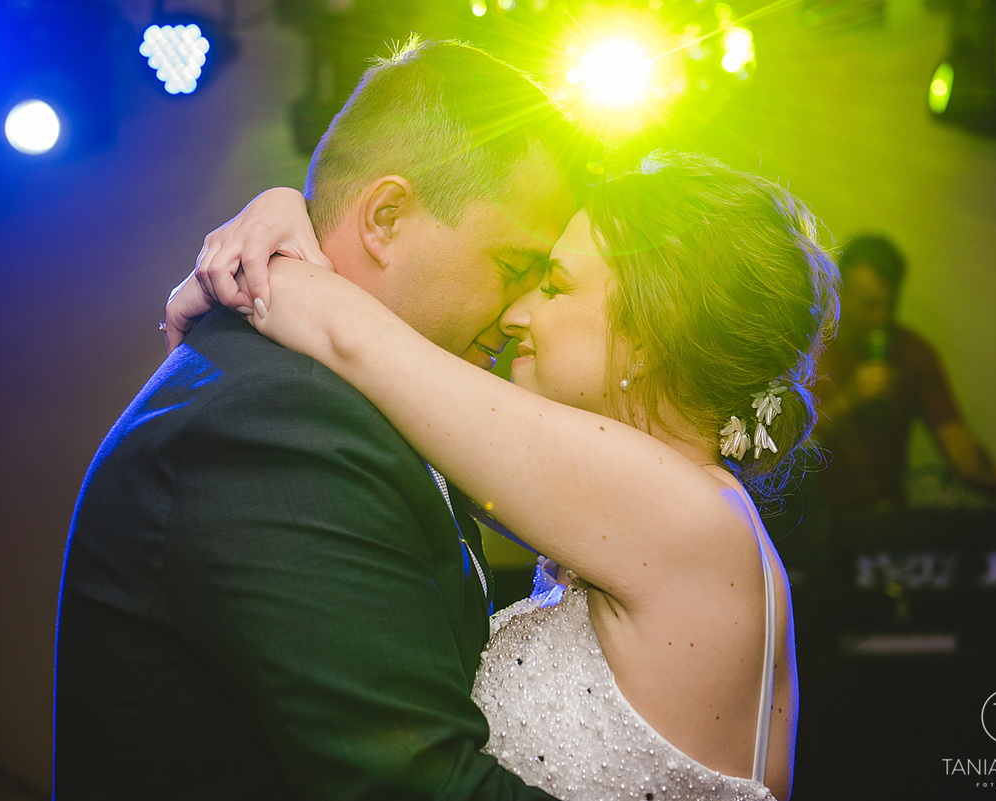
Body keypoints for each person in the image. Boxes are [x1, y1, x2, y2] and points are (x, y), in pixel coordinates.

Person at [170, 151, 840, 801]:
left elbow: (356, 344)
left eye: (552, 285)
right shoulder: (685, 511)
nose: (516, 313)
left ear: (647, 333)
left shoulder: (681, 513)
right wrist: (283, 209)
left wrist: (256, 257)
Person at [55, 39, 593, 800]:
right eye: (511, 268)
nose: (516, 315)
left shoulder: (351, 399)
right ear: (385, 215)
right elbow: (418, 784)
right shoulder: (280, 422)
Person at [811, 235, 996, 510]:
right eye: (869, 306)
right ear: (840, 293)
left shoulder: (911, 351)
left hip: (885, 518)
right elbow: (787, 443)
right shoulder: (812, 349)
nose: (881, 318)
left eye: (890, 306)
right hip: (809, 522)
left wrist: (991, 479)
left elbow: (951, 432)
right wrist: (850, 399)